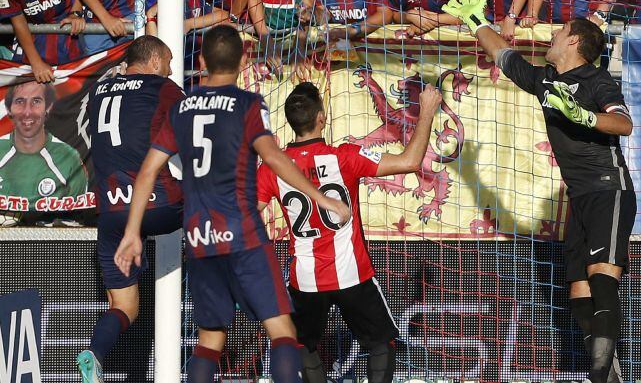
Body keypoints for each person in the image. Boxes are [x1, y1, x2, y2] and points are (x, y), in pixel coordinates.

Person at [114, 25, 350, 383]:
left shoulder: (180, 108)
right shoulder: (248, 104)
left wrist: (132, 232)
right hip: (243, 235)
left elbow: (147, 172)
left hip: (199, 239)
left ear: (203, 60)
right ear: (242, 60)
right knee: (283, 331)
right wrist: (321, 198)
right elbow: (274, 158)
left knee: (210, 339)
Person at [442, 0, 635, 383]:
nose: (553, 35)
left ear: (575, 41)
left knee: (601, 276)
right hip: (578, 198)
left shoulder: (596, 81)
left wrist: (584, 116)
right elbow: (506, 58)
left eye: (560, 30)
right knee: (579, 293)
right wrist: (477, 21)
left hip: (608, 189)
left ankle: (600, 377)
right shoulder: (547, 81)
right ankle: (609, 377)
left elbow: (624, 124)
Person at [256, 81, 442, 383]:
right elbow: (410, 162)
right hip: (351, 273)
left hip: (306, 278)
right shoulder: (343, 157)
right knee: (381, 344)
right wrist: (428, 113)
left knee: (301, 344)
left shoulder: (271, 169)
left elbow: (248, 215)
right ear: (321, 118)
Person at [77, 36, 185, 383]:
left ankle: (94, 353)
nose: (170, 69)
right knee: (217, 206)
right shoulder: (163, 88)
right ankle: (240, 287)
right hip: (159, 205)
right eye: (167, 62)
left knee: (125, 306)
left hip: (112, 214)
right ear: (153, 62)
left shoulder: (98, 91)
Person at [0, 81, 88, 219]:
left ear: (48, 107)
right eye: (19, 101)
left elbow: (76, 221)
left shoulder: (69, 158)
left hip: (53, 240)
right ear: (8, 109)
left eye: (36, 101)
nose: (27, 112)